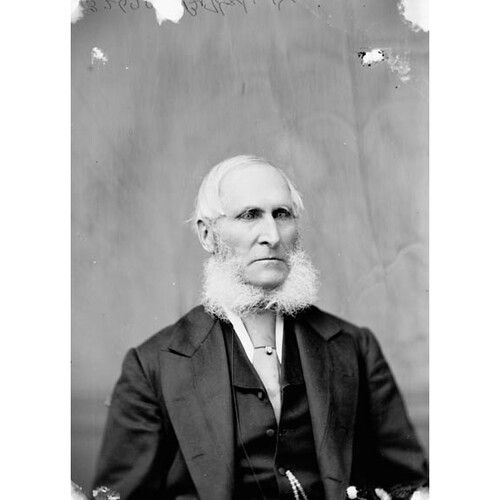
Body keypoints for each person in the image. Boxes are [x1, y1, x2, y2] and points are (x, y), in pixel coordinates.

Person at [93, 155, 428, 500]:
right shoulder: (153, 366)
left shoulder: (355, 348)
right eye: (249, 215)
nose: (272, 235)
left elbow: (410, 484)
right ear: (207, 235)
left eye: (281, 214)